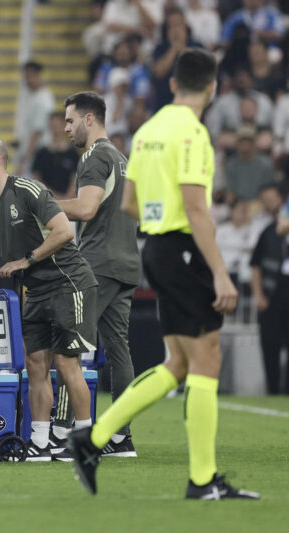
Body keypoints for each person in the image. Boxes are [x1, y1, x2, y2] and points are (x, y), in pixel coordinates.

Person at [68, 49, 260, 500]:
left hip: (154, 246)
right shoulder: (193, 134)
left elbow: (131, 203)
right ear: (212, 88)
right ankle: (202, 479)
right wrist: (220, 273)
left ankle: (93, 440)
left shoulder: (148, 130)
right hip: (184, 249)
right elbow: (195, 207)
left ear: (173, 84)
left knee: (178, 364)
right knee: (207, 359)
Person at [0, 138, 97, 462]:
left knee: (67, 364)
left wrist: (28, 259)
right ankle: (40, 440)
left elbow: (64, 231)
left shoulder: (28, 190)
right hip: (35, 293)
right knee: (36, 366)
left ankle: (83, 440)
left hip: (69, 283)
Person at [55, 91, 140, 460]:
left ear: (90, 120)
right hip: (125, 263)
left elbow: (86, 209)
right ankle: (121, 437)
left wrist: (39, 205)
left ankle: (60, 432)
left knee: (67, 343)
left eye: (71, 120)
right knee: (118, 350)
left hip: (97, 264)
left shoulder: (94, 156)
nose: (66, 128)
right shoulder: (121, 158)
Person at [249, 184, 289, 395]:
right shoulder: (268, 231)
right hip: (274, 292)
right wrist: (258, 295)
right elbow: (255, 265)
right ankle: (272, 390)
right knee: (270, 345)